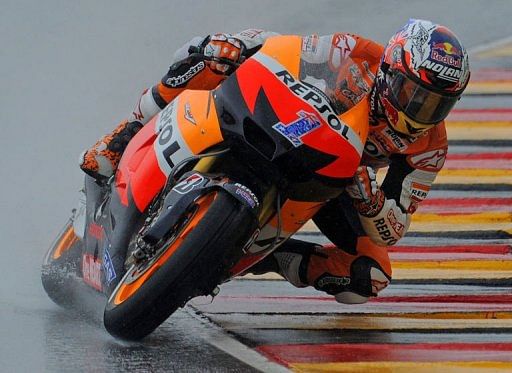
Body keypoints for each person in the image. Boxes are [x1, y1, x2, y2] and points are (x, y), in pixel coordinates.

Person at [79, 19, 470, 303]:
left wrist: (371, 201)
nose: (421, 111)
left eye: (437, 104)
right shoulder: (353, 53)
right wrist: (233, 45)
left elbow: (394, 227)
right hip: (289, 123)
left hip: (335, 183)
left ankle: (265, 258)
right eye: (414, 93)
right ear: (389, 71)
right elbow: (283, 46)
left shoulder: (429, 147)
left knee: (368, 278)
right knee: (209, 57)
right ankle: (126, 133)